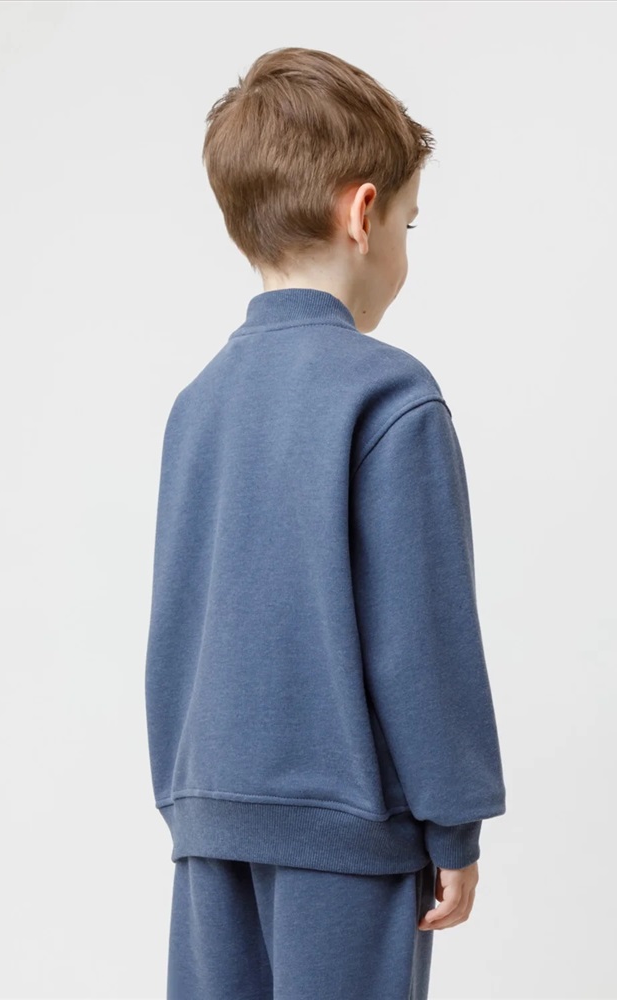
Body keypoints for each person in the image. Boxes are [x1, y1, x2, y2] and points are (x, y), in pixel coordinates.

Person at [144, 45, 507, 1000]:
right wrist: (455, 822)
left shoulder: (198, 403)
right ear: (363, 213)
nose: (404, 251)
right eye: (408, 224)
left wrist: (189, 803)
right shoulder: (390, 395)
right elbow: (421, 635)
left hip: (209, 821)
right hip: (347, 832)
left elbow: (179, 621)